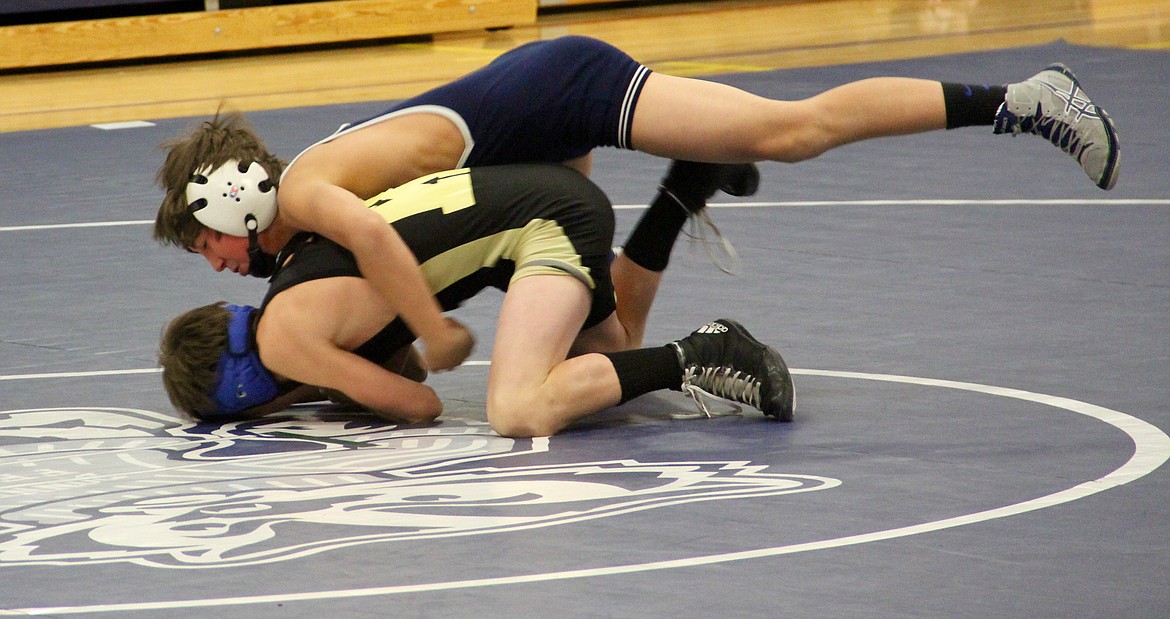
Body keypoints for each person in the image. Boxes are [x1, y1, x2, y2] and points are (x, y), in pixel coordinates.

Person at [154, 36, 1119, 370]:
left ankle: (1023, 101)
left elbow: (373, 233)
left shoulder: (316, 190)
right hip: (520, 172)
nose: (222, 269)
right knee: (604, 353)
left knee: (788, 131)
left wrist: (432, 335)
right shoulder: (302, 216)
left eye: (208, 249)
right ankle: (678, 198)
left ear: (232, 209)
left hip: (562, 89)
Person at [159, 163, 795, 437]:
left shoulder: (285, 338)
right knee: (613, 354)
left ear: (242, 395)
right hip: (538, 205)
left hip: (543, 221)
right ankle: (684, 186)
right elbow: (400, 363)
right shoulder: (294, 284)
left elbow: (420, 403)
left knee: (518, 409)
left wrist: (320, 383)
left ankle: (703, 354)